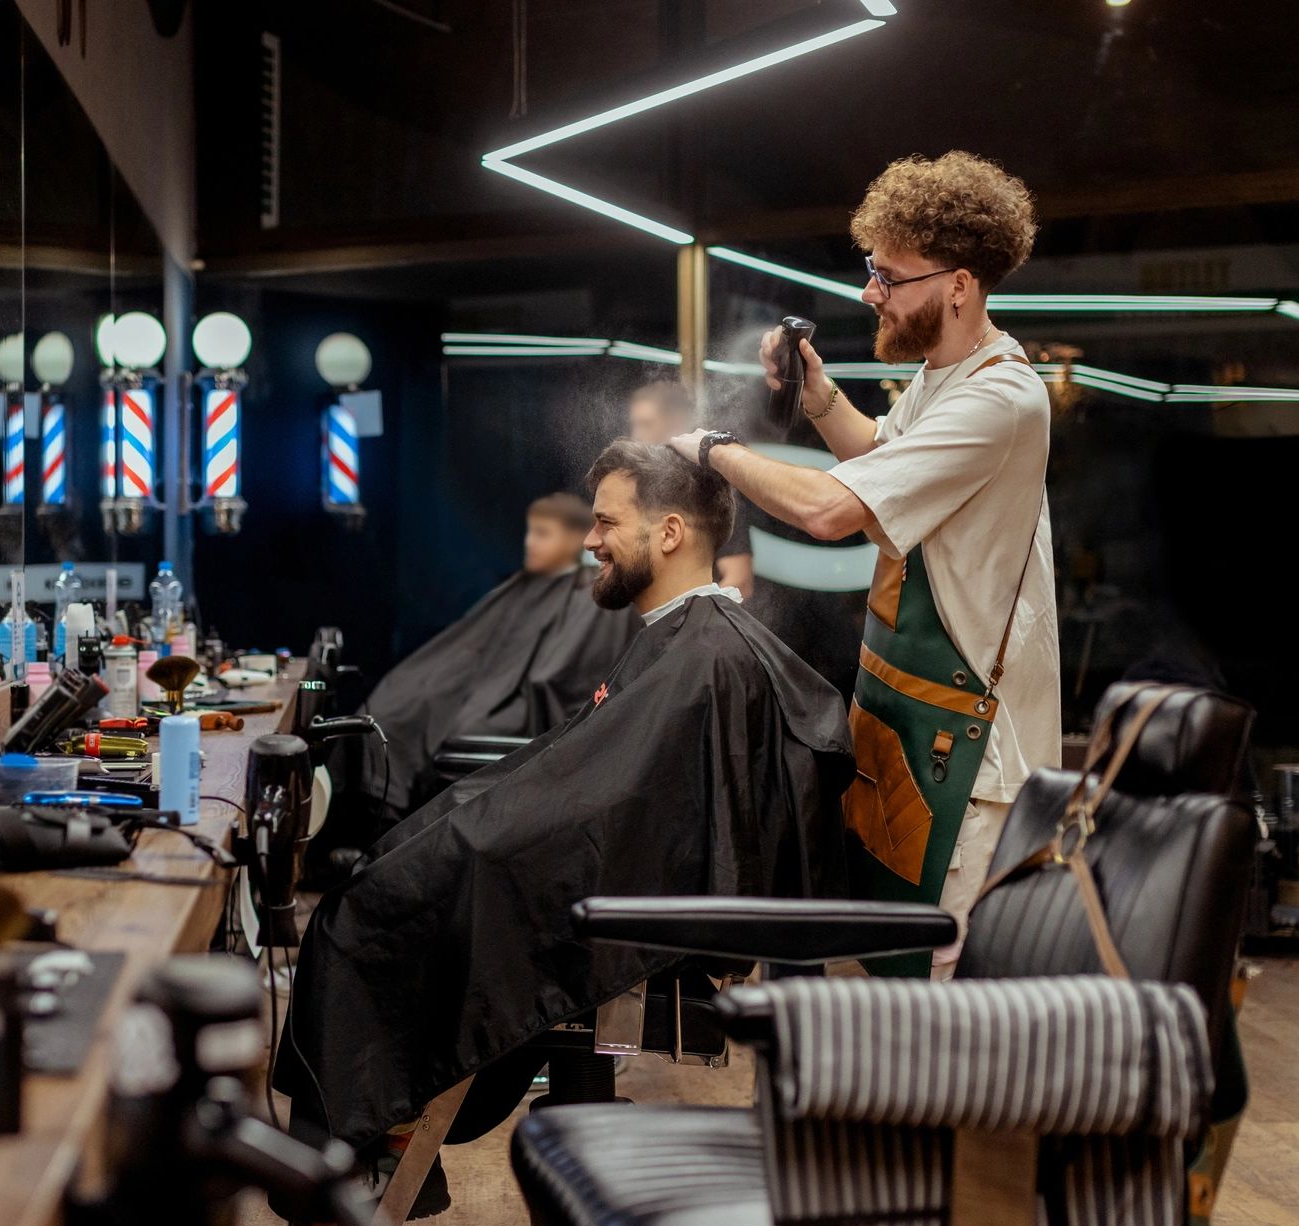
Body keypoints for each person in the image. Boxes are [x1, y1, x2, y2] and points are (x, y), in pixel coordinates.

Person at [277, 440, 852, 1197]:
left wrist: (468, 841)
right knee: (390, 882)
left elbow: (622, 820)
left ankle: (349, 1155)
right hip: (612, 895)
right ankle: (360, 1142)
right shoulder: (682, 640)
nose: (589, 541)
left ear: (670, 532)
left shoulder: (705, 656)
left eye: (607, 523)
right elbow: (598, 788)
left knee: (370, 914)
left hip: (632, 926)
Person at [665, 151, 1059, 977]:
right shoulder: (941, 378)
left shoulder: (1001, 397)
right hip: (897, 725)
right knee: (885, 986)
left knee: (942, 1017)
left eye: (889, 276)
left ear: (959, 283)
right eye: (869, 269)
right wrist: (818, 398)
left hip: (966, 752)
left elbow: (830, 509)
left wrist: (711, 450)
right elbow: (885, 454)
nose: (868, 293)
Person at [357, 492, 636, 819]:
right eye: (529, 532)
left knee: (423, 723)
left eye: (543, 533)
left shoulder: (587, 596)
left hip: (518, 700)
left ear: (576, 539)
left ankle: (393, 828)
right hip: (479, 683)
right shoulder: (524, 585)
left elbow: (554, 675)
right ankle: (375, 825)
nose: (530, 543)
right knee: (387, 707)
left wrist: (491, 689)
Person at [628, 374, 755, 597]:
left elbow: (739, 581)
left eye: (646, 424)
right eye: (634, 425)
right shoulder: (643, 487)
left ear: (677, 422)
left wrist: (685, 621)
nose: (636, 435)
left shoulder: (711, 486)